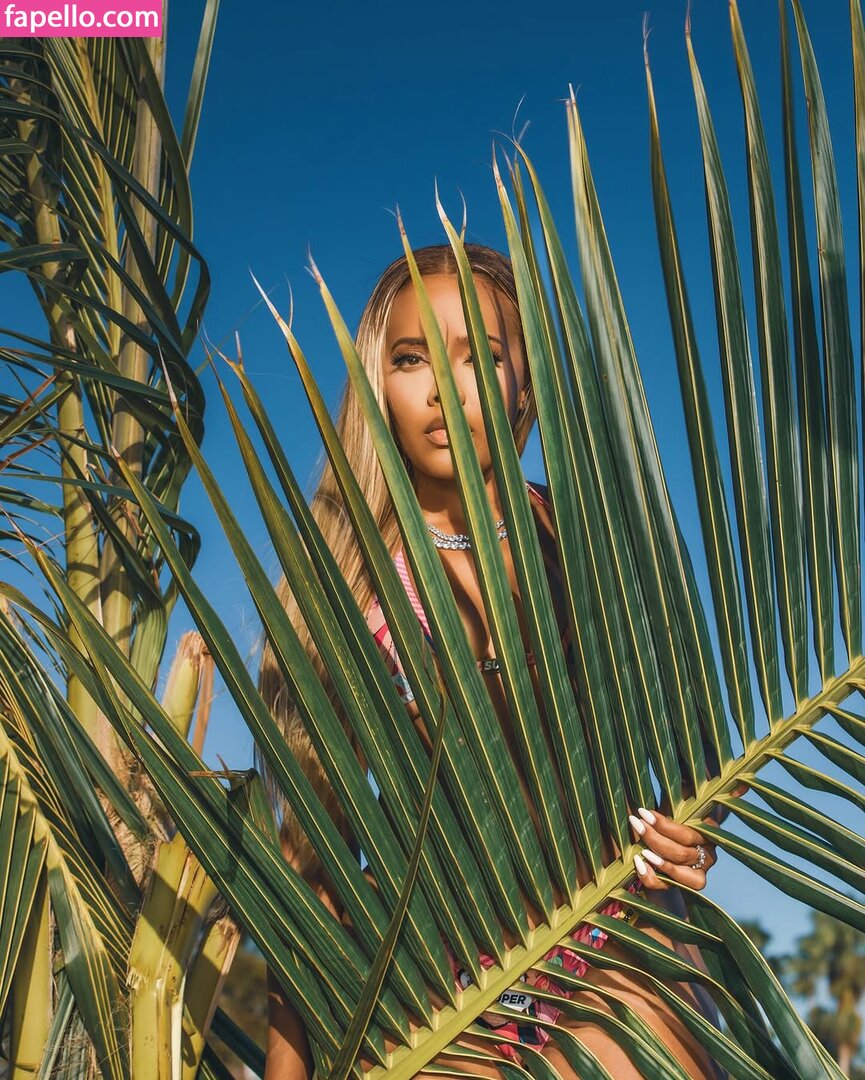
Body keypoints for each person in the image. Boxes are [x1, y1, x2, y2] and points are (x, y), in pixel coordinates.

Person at [261, 244, 723, 1079]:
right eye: (411, 358)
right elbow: (312, 870)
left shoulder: (582, 541)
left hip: (612, 933)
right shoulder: (352, 591)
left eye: (481, 355)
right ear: (377, 385)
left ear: (525, 385)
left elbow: (688, 736)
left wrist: (694, 834)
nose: (444, 384)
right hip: (440, 988)